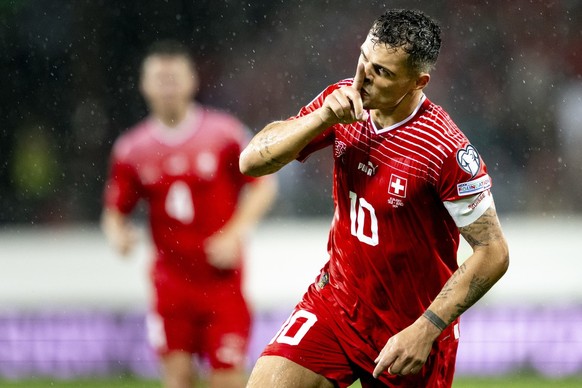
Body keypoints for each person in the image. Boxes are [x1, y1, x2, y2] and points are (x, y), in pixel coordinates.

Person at [240, 9, 509, 388]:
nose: (364, 78)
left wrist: (427, 328)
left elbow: (493, 251)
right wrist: (321, 119)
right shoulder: (342, 101)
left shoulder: (444, 149)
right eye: (364, 59)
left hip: (408, 330)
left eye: (382, 72)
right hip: (336, 304)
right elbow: (250, 162)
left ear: (419, 81)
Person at [101, 40, 277, 388]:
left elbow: (264, 185)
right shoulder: (131, 148)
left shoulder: (224, 133)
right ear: (144, 84)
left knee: (226, 379)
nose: (167, 86)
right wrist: (118, 235)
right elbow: (114, 212)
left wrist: (234, 233)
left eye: (174, 77)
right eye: (159, 77)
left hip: (222, 282)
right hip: (170, 284)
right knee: (178, 378)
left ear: (192, 81)